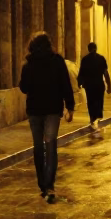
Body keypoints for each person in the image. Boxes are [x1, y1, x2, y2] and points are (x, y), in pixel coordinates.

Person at [19, 32, 74, 203]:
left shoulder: (28, 64)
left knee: (38, 147)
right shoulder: (57, 61)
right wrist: (70, 106)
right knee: (50, 145)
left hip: (35, 110)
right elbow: (65, 84)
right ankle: (49, 185)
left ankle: (42, 184)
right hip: (52, 109)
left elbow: (23, 88)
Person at [77, 41, 111, 130]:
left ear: (88, 49)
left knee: (90, 101)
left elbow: (81, 73)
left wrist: (79, 83)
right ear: (96, 49)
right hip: (99, 84)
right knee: (99, 100)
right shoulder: (101, 58)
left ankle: (93, 117)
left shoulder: (85, 60)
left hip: (89, 85)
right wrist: (109, 86)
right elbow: (106, 73)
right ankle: (98, 116)